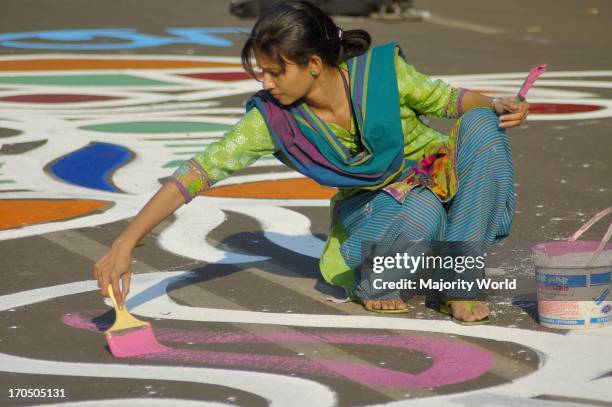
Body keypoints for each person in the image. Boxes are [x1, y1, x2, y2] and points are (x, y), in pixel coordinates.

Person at [94, 0, 528, 324]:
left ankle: (457, 278)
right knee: (420, 209)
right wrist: (126, 242)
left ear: (314, 64)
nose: (265, 82)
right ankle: (374, 277)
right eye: (260, 71)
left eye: (275, 72)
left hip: (440, 176)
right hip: (383, 208)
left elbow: (450, 100)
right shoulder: (271, 119)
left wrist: (497, 103)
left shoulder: (380, 75)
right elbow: (198, 172)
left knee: (482, 125)